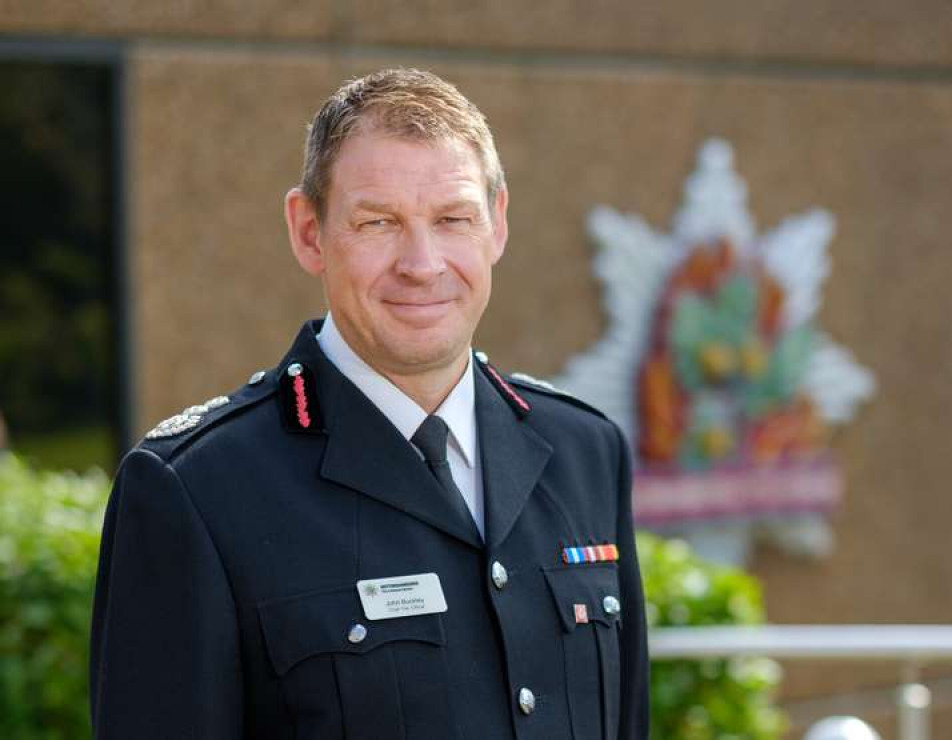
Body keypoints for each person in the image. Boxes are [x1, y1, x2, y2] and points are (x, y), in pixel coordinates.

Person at [90, 68, 649, 739]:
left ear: (496, 225)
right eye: (379, 222)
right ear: (308, 232)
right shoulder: (197, 489)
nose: (422, 262)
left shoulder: (585, 451)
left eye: (453, 219)